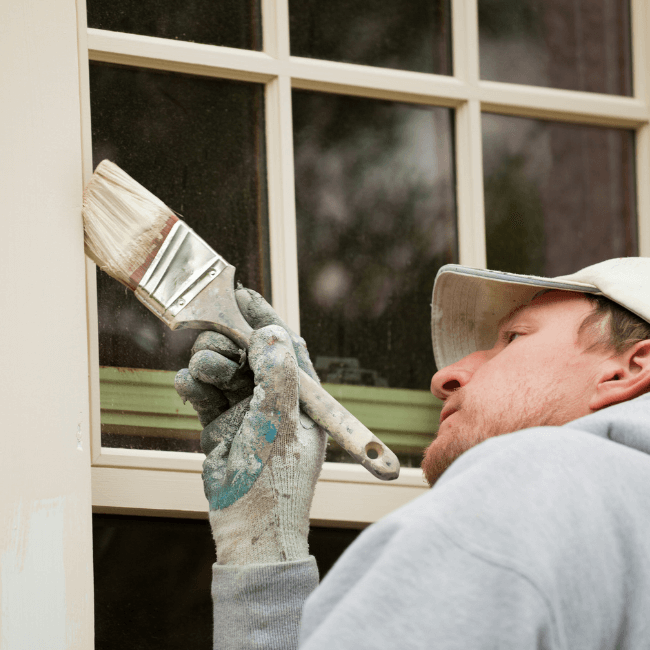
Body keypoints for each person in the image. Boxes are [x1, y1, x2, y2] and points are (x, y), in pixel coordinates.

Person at [175, 257, 650, 649]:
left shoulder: (529, 487)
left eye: (513, 338)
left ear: (629, 369)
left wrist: (258, 575)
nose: (444, 379)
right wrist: (263, 544)